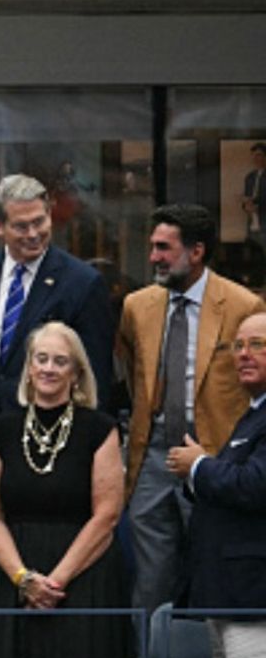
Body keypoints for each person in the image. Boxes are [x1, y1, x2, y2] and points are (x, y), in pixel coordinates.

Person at [117, 204, 266, 613]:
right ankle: (152, 650)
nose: (153, 257)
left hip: (214, 454)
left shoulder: (243, 305)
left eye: (164, 248)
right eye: (152, 247)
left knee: (210, 571)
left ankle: (205, 649)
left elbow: (254, 377)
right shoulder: (136, 307)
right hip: (152, 458)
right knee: (151, 581)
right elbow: (132, 371)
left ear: (196, 251)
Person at [0, 174, 114, 504]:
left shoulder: (82, 283)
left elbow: (95, 378)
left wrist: (84, 452)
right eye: (21, 226)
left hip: (53, 451)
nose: (34, 234)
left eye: (40, 221)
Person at [0, 322, 131, 658]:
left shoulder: (100, 429)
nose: (48, 368)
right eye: (41, 358)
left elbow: (107, 515)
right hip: (17, 575)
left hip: (83, 575)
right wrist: (24, 579)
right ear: (29, 368)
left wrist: (55, 582)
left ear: (76, 373)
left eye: (60, 361)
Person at [167, 311, 266, 658]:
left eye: (257, 344)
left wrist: (198, 466)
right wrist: (199, 473)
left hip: (254, 600)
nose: (244, 354)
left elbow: (255, 485)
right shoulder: (252, 414)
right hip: (227, 596)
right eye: (237, 346)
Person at [243, 142, 266, 253]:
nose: (256, 158)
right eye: (254, 155)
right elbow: (246, 198)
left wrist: (257, 205)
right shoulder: (250, 177)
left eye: (259, 155)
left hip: (264, 222)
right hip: (252, 224)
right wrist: (245, 206)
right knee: (255, 255)